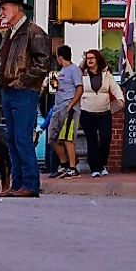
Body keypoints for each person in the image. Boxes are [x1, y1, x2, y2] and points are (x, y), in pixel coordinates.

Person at [0, 0, 53, 198]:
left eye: (3, 8)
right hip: (9, 90)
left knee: (22, 137)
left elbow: (43, 63)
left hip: (24, 91)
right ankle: (18, 184)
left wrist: (22, 80)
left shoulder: (34, 32)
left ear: (16, 9)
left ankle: (29, 183)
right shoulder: (11, 33)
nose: (1, 12)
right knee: (12, 138)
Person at [74, 47, 122, 176]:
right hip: (87, 111)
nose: (89, 60)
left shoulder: (106, 73)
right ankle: (95, 168)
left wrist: (120, 98)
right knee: (91, 140)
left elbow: (115, 87)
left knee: (106, 138)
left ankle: (102, 164)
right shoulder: (81, 74)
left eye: (92, 58)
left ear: (97, 59)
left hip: (104, 112)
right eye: (87, 58)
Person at [44, 47, 80, 177]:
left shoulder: (74, 69)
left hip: (68, 107)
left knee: (67, 138)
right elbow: (53, 90)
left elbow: (79, 88)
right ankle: (64, 164)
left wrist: (72, 104)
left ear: (60, 57)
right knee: (52, 137)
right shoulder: (59, 72)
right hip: (57, 107)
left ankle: (72, 167)